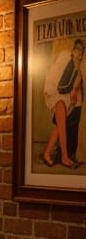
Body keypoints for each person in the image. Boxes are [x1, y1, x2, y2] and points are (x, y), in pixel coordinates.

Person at [41, 37, 83, 168]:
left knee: (61, 123)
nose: (80, 55)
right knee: (60, 109)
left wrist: (75, 91)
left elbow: (77, 82)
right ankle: (64, 157)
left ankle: (47, 153)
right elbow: (55, 76)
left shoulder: (78, 65)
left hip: (65, 93)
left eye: (82, 53)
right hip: (53, 88)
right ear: (74, 50)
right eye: (78, 51)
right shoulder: (65, 55)